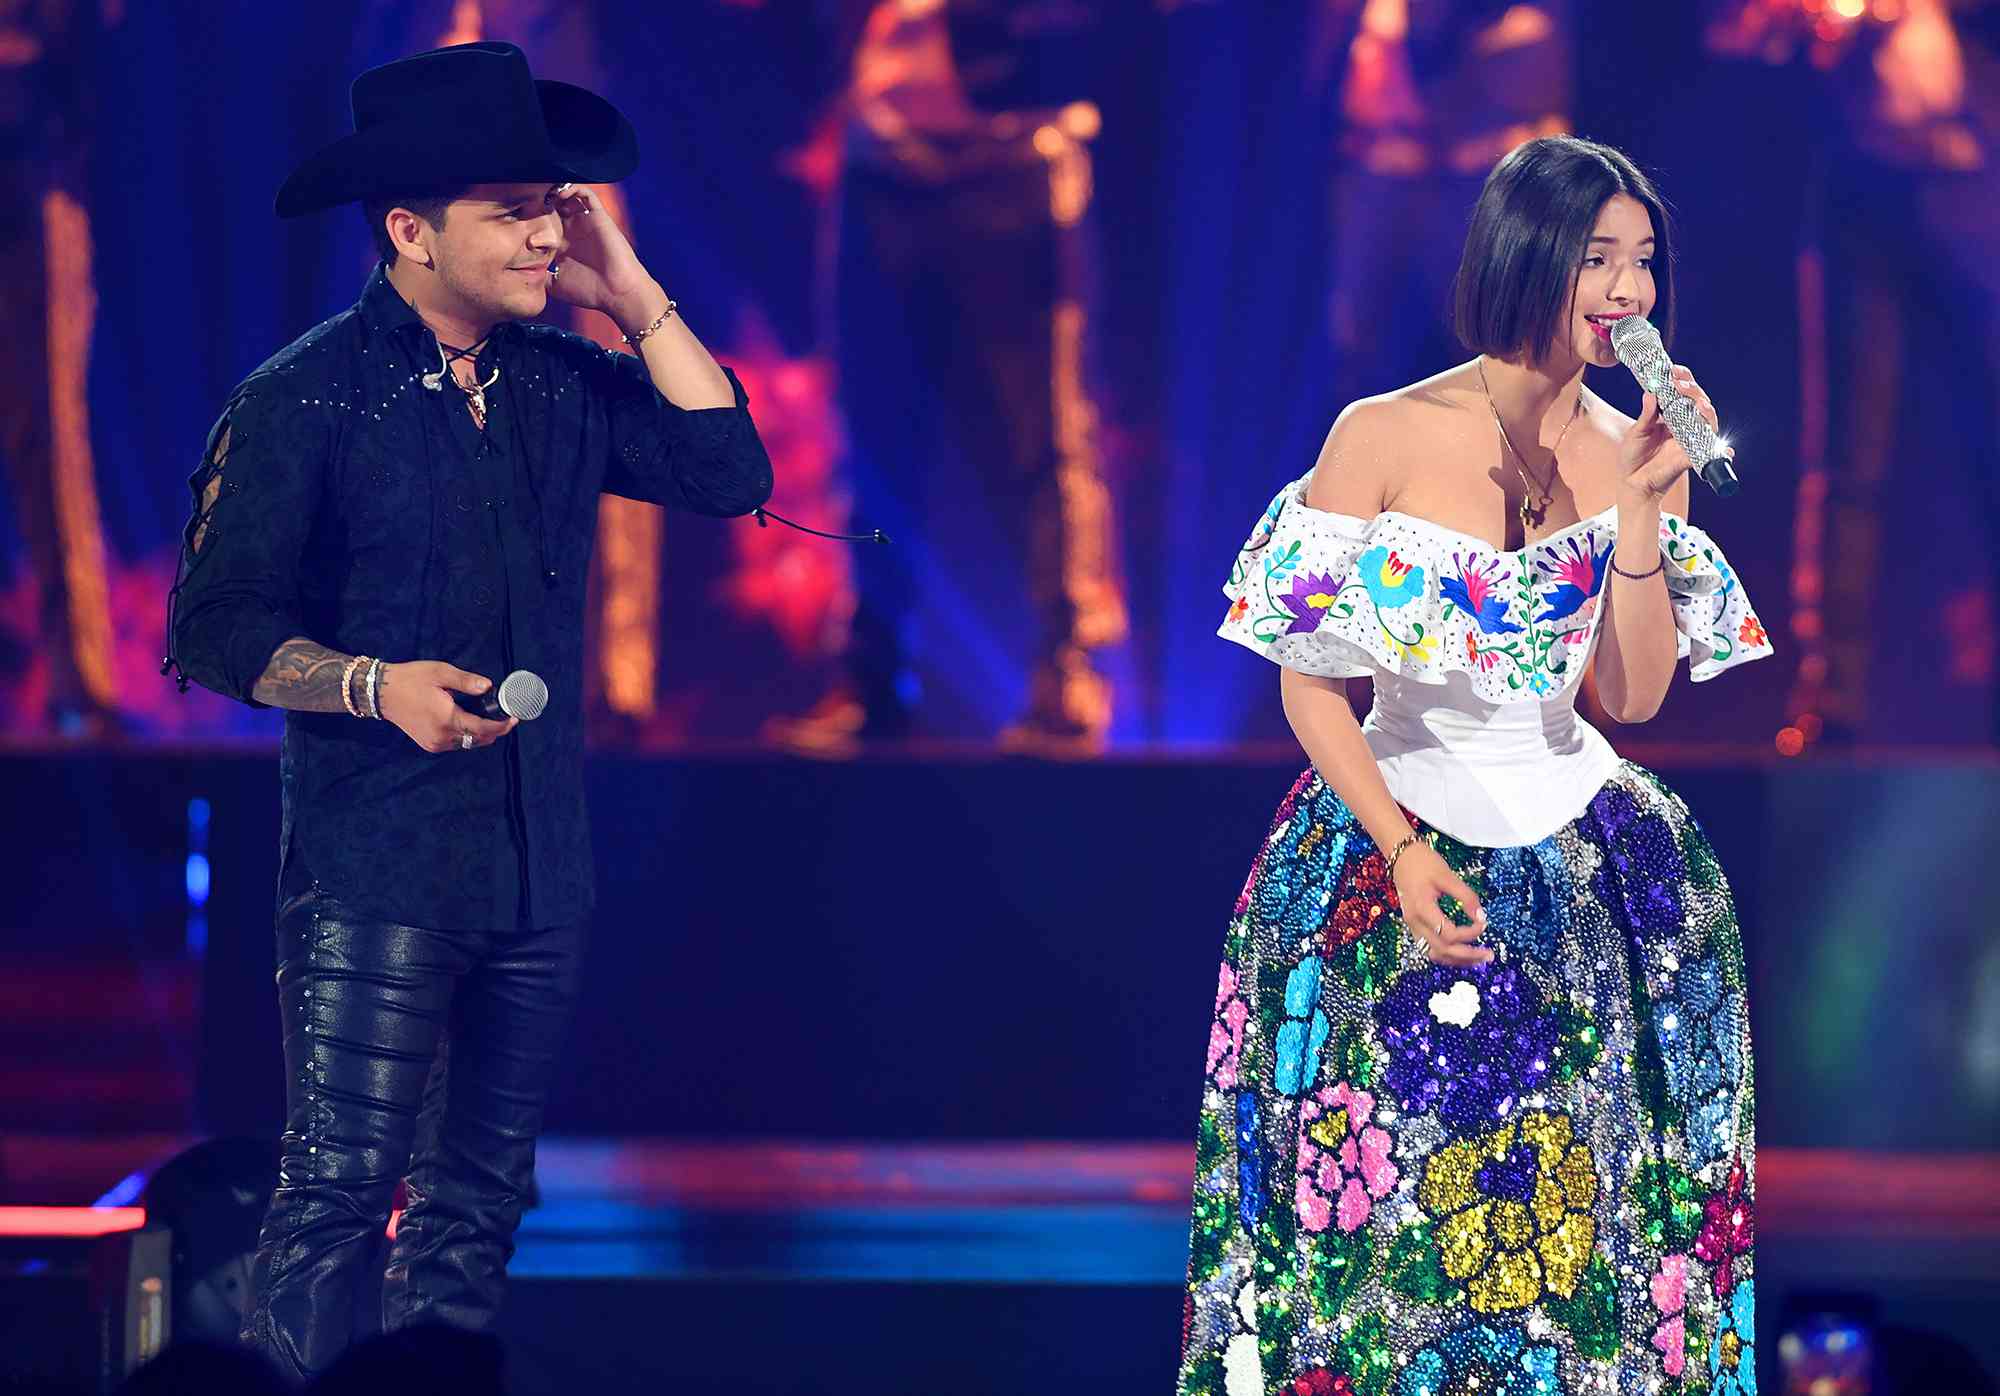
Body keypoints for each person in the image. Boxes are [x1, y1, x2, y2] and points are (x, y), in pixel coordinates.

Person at [164, 42, 772, 1381]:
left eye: (555, 205)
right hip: (378, 857)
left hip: (536, 859)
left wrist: (634, 296)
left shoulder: (557, 380)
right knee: (336, 1191)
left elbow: (728, 472)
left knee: (479, 1205)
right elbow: (210, 629)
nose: (547, 232)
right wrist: (375, 687)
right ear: (408, 229)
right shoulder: (306, 396)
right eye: (512, 208)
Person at [1178, 136, 1770, 1394]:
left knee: (1579, 1243)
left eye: (1643, 263)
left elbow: (1634, 695)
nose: (1628, 292)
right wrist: (1396, 849)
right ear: (1525, 257)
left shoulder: (1631, 449)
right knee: (1384, 1229)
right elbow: (1308, 679)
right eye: (1597, 259)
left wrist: (1645, 512)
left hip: (1587, 874)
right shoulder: (1380, 433)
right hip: (1387, 845)